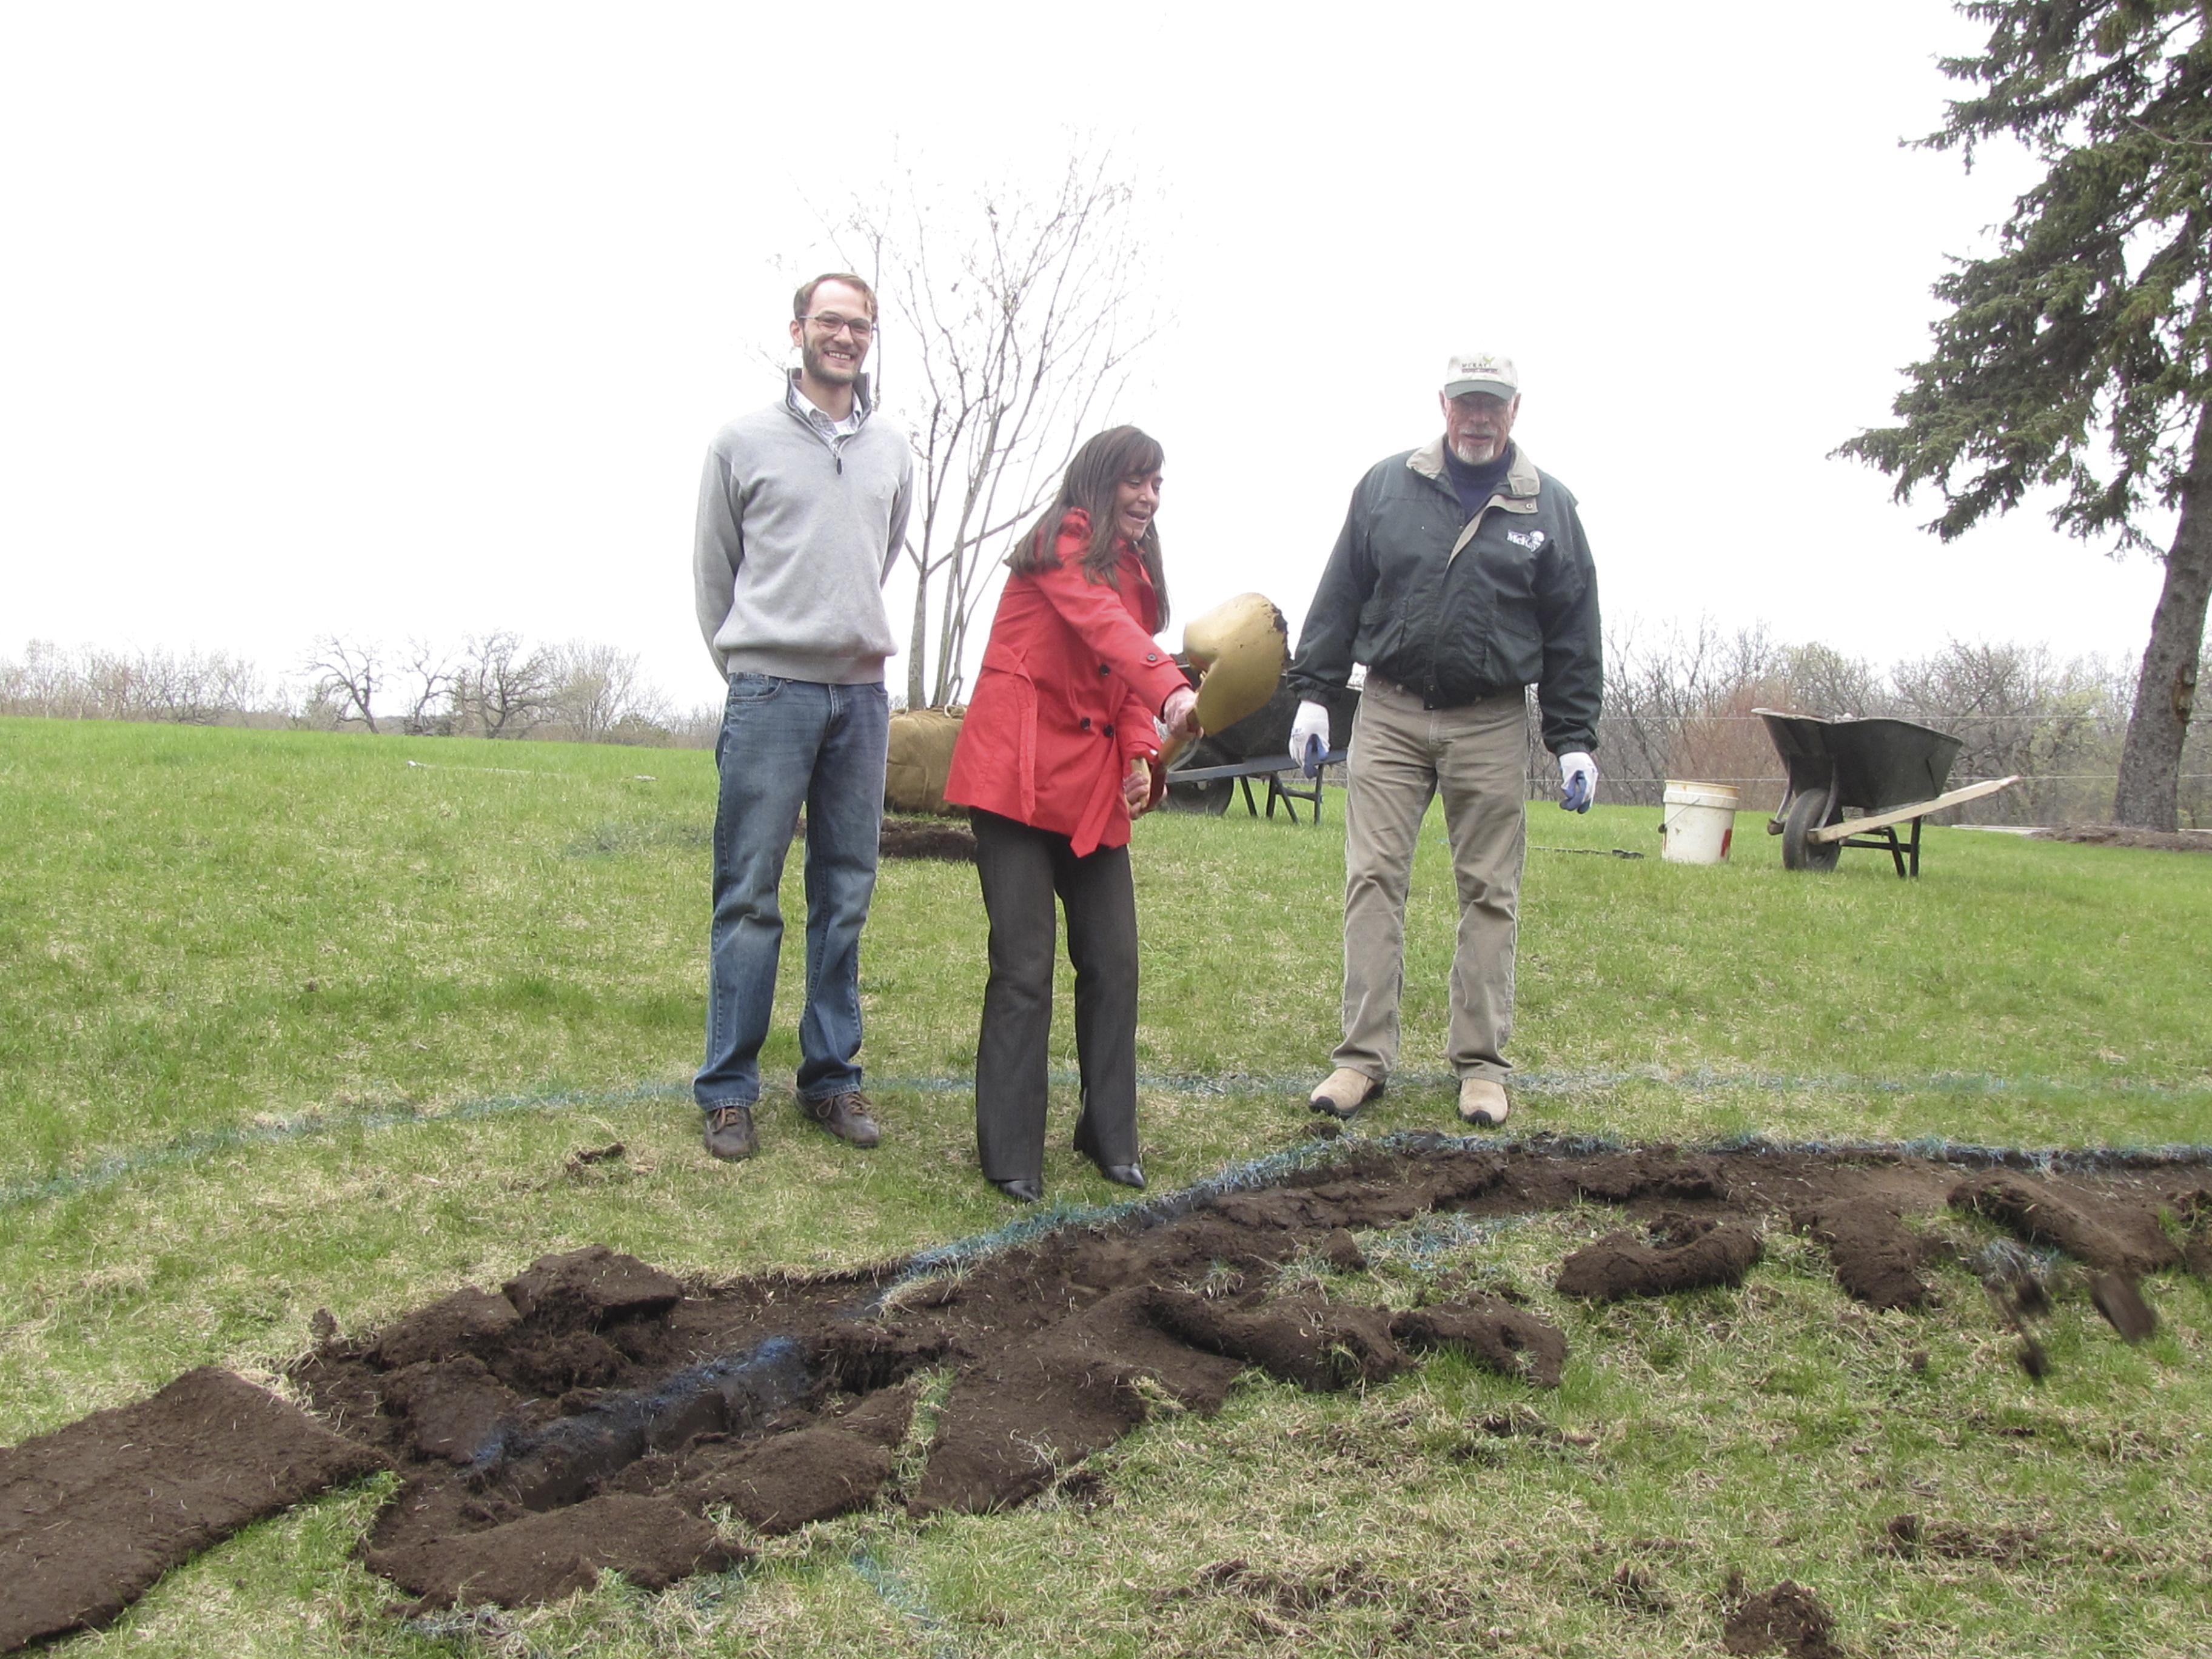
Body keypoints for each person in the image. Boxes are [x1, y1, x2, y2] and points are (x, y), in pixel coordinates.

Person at [1284, 352, 1601, 1130]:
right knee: (1373, 880)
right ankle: (1360, 1060)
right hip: (1388, 710)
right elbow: (1340, 594)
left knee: (1490, 893)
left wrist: (1574, 739)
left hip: (1490, 719)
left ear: (1515, 409)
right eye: (1466, 402)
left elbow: (1574, 633)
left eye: (1493, 403)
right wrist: (1316, 696)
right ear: (1444, 404)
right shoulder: (1387, 487)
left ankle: (1483, 1068)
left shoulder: (1549, 509)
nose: (1478, 417)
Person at [690, 272, 914, 1161]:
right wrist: (751, 662)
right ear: (798, 331)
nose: (845, 337)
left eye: (859, 325)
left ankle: (831, 1078)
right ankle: (729, 1091)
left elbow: (881, 551)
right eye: (830, 321)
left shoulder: (894, 448)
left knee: (845, 891)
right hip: (770, 694)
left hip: (860, 700)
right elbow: (715, 574)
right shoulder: (740, 442)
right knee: (750, 894)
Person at [943, 426, 1201, 1202]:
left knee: (1114, 962)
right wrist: (1175, 688)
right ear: (1100, 480)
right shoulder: (1063, 541)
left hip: (1088, 789)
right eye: (1135, 481)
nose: (1149, 498)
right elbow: (1106, 632)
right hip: (1014, 780)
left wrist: (1142, 756)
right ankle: (1011, 1150)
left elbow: (1122, 683)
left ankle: (1107, 1133)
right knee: (1024, 968)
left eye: (1158, 485)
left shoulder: (1137, 574)